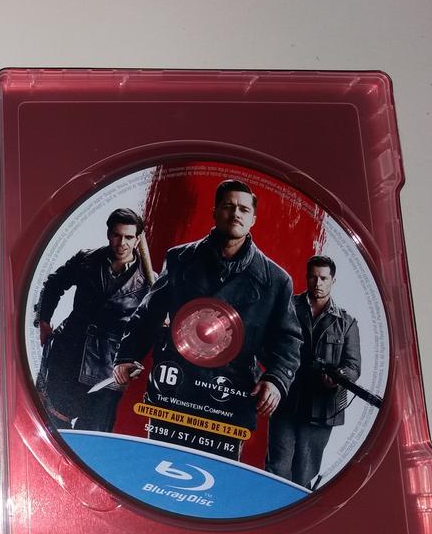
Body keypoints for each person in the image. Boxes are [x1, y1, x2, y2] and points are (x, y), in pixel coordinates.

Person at [113, 179, 302, 459]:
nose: (235, 214)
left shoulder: (276, 280)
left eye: (243, 209)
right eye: (228, 206)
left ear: (253, 218)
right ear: (215, 212)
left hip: (230, 397)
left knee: (214, 477)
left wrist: (275, 380)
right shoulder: (179, 259)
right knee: (159, 466)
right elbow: (149, 313)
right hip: (175, 390)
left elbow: (289, 341)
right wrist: (127, 355)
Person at [33, 207, 151, 432]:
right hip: (68, 354)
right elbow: (54, 284)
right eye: (116, 235)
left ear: (137, 240)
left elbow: (147, 329)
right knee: (53, 425)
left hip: (108, 368)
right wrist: (44, 320)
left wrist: (132, 360)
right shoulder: (86, 260)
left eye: (128, 237)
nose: (121, 243)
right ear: (108, 234)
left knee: (93, 433)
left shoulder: (149, 282)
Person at [266, 255, 361, 488]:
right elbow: (269, 345)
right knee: (277, 467)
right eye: (313, 277)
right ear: (307, 277)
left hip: (321, 409)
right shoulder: (287, 308)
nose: (318, 283)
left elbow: (353, 366)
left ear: (333, 281)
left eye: (324, 278)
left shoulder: (347, 322)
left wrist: (338, 379)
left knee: (304, 474)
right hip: (287, 400)